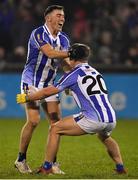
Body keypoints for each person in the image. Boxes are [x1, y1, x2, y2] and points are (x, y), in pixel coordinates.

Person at [16, 43, 127, 175]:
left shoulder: (75, 74)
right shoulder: (95, 72)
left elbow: (49, 91)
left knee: (55, 128)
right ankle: (120, 167)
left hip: (93, 119)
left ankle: (47, 167)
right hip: (111, 118)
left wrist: (28, 98)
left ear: (72, 57)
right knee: (105, 137)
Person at [14, 5, 71, 174]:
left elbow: (64, 63)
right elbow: (51, 53)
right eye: (59, 15)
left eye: (63, 16)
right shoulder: (38, 33)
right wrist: (71, 53)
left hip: (49, 84)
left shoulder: (64, 39)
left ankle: (52, 164)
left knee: (57, 124)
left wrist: (69, 80)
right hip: (30, 82)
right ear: (48, 18)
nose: (62, 18)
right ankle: (21, 159)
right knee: (33, 121)